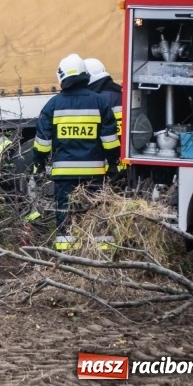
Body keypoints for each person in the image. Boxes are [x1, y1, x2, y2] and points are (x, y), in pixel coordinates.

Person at [32, 54, 120, 251]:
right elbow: (110, 141)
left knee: (65, 214)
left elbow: (42, 143)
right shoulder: (100, 102)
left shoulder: (53, 105)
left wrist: (39, 164)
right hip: (95, 173)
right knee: (97, 212)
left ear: (62, 76)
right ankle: (101, 256)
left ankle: (67, 259)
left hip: (64, 175)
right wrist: (113, 164)